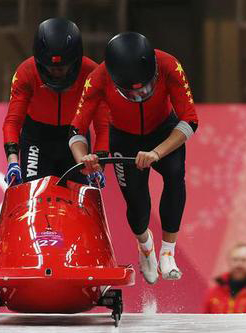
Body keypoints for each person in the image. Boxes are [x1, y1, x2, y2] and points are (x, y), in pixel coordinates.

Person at [69, 32, 198, 284]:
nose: (139, 96)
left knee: (174, 174)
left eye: (146, 89)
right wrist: (83, 159)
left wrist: (157, 152)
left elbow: (190, 120)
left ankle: (168, 252)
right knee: (137, 206)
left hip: (163, 131)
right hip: (124, 139)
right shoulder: (97, 79)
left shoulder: (169, 65)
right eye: (131, 92)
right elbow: (76, 128)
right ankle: (145, 245)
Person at [2, 17, 108, 187]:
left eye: (63, 68)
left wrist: (99, 165)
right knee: (35, 194)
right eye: (51, 69)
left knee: (78, 199)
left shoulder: (93, 74)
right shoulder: (26, 73)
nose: (57, 74)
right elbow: (13, 122)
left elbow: (103, 125)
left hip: (75, 139)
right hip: (37, 139)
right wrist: (12, 162)